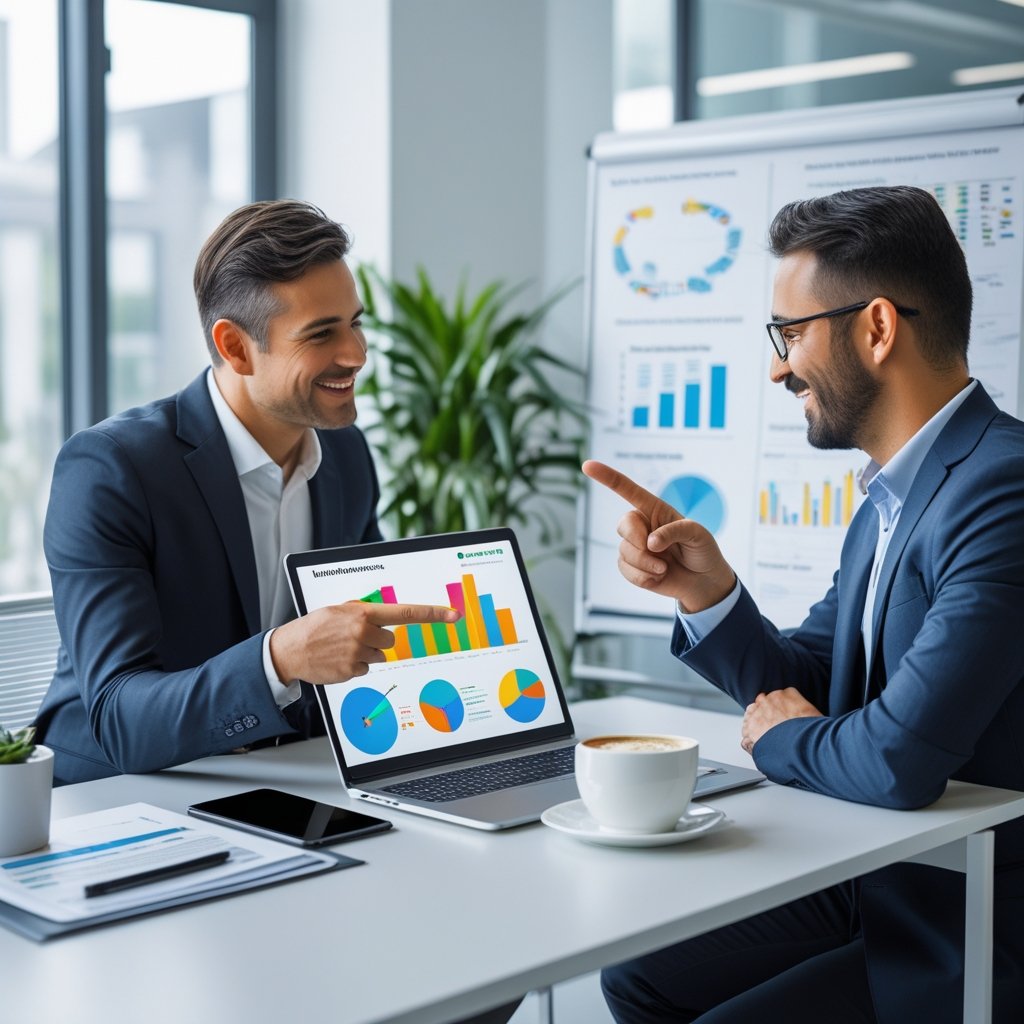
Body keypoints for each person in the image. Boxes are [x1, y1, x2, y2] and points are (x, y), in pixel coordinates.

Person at [584, 185, 1024, 1022]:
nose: (780, 365)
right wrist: (708, 594)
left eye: (790, 334)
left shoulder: (1004, 488)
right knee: (639, 974)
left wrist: (781, 738)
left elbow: (898, 759)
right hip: (886, 871)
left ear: (878, 327)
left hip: (973, 912)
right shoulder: (895, 496)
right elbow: (816, 679)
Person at [34, 200, 459, 786]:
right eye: (321, 334)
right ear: (235, 348)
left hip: (284, 780)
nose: (357, 355)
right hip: (120, 793)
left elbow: (359, 644)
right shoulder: (110, 470)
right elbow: (120, 716)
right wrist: (281, 658)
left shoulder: (346, 455)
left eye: (355, 322)